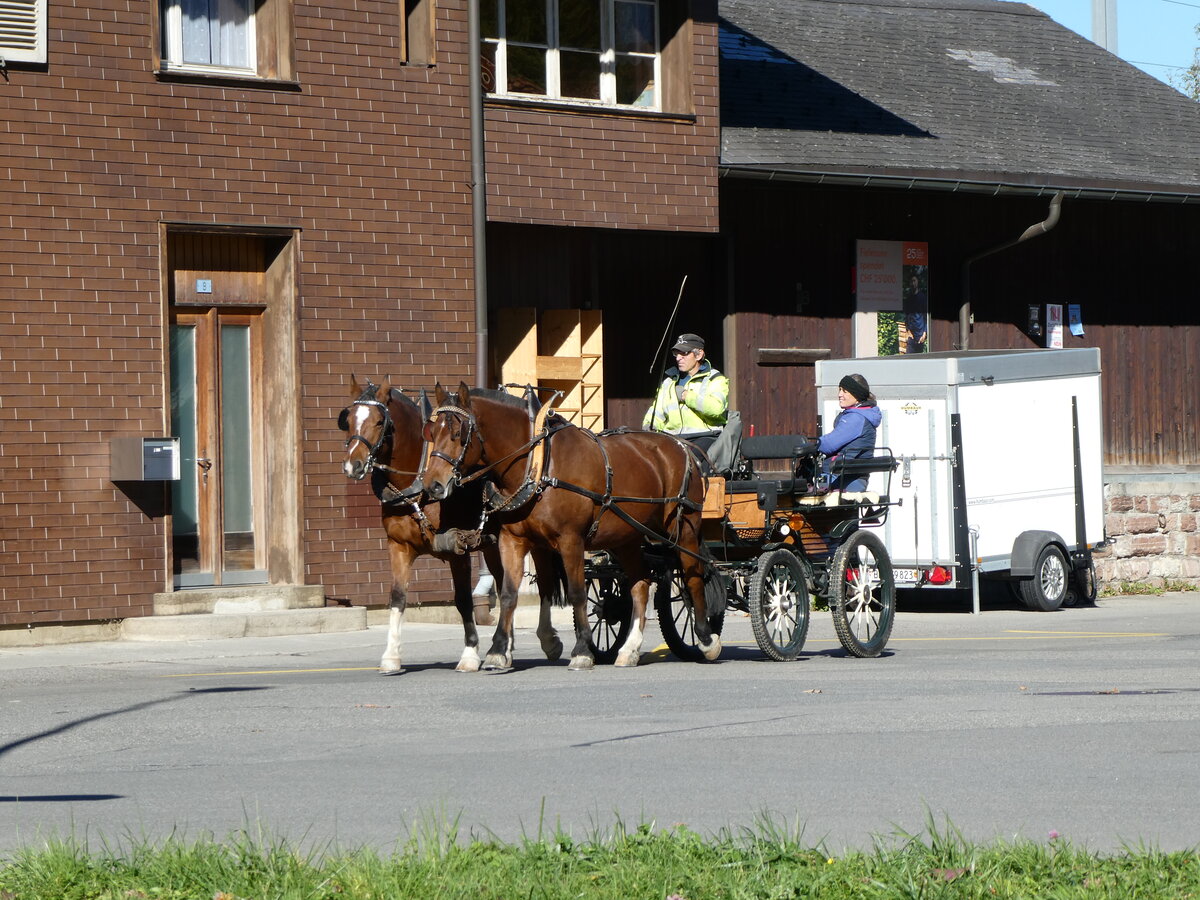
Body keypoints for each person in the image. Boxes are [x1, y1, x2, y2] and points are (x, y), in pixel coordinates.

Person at [643, 332, 730, 452]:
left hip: (705, 436)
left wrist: (686, 396)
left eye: (684, 353)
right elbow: (656, 411)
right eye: (676, 353)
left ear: (699, 355)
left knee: (688, 462)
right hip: (672, 438)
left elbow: (716, 409)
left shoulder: (715, 379)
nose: (678, 358)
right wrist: (649, 426)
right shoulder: (669, 381)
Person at [817, 373, 881, 492]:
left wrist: (813, 445)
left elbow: (828, 445)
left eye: (845, 391)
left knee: (798, 488)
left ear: (857, 395)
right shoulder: (861, 415)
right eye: (840, 390)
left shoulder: (856, 418)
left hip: (844, 478)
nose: (839, 394)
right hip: (848, 476)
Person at [904, 273, 928, 354]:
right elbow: (906, 317)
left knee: (919, 362)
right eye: (911, 281)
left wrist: (924, 334)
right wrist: (908, 332)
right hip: (911, 336)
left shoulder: (923, 298)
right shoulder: (908, 299)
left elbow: (925, 316)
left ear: (917, 282)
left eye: (914, 281)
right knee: (908, 360)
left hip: (920, 336)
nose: (913, 283)